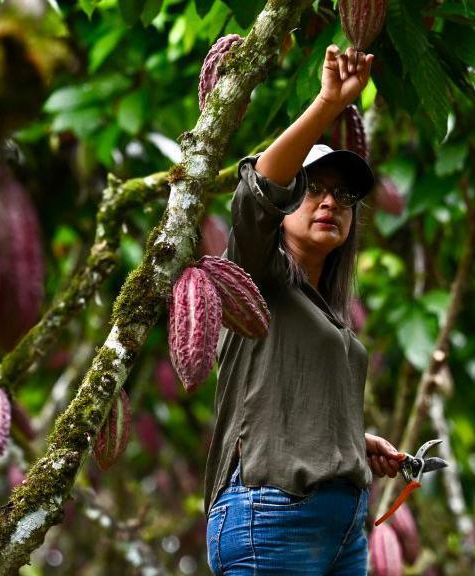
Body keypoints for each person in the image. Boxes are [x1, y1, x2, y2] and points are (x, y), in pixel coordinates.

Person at [203, 45, 403, 575]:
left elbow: (279, 401)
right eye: (314, 189)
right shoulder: (254, 275)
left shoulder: (331, 315)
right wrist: (327, 103)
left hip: (342, 532)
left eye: (343, 196)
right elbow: (256, 194)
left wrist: (350, 444)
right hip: (269, 519)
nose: (330, 203)